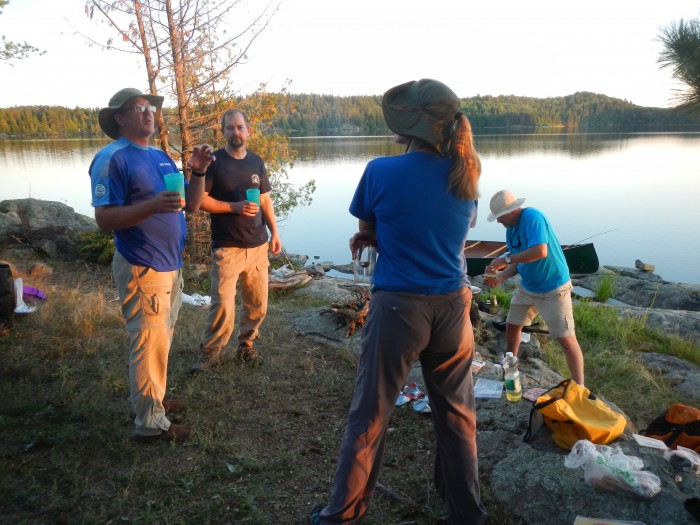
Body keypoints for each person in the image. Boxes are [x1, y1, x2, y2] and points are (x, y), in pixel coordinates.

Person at [311, 79, 488, 525]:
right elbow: (443, 230)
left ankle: (341, 515)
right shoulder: (465, 174)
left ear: (409, 125)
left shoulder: (380, 171)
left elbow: (374, 223)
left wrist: (370, 235)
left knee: (370, 414)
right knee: (457, 414)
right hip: (453, 307)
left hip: (399, 308)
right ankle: (466, 512)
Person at [89, 87, 215, 443]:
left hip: (169, 265)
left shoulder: (159, 156)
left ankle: (152, 401)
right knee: (148, 340)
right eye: (138, 107)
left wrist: (198, 171)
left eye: (150, 107)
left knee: (160, 337)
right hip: (142, 263)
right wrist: (151, 206)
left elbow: (190, 205)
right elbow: (104, 218)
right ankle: (149, 424)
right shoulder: (112, 158)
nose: (148, 112)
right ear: (119, 117)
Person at [190, 109, 282, 373]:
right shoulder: (215, 162)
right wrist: (234, 207)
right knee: (222, 304)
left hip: (257, 245)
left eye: (240, 127)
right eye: (230, 128)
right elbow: (200, 201)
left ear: (249, 131)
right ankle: (210, 352)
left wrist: (275, 232)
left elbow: (265, 199)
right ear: (223, 132)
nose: (236, 132)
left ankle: (246, 346)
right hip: (227, 247)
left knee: (257, 303)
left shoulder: (256, 161)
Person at [484, 189, 585, 385]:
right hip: (528, 288)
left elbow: (540, 251)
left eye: (499, 216)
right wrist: (501, 276)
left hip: (553, 288)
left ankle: (580, 388)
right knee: (513, 326)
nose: (498, 221)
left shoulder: (533, 217)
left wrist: (504, 258)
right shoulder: (510, 229)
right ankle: (510, 368)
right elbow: (519, 261)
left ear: (512, 210)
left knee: (566, 340)